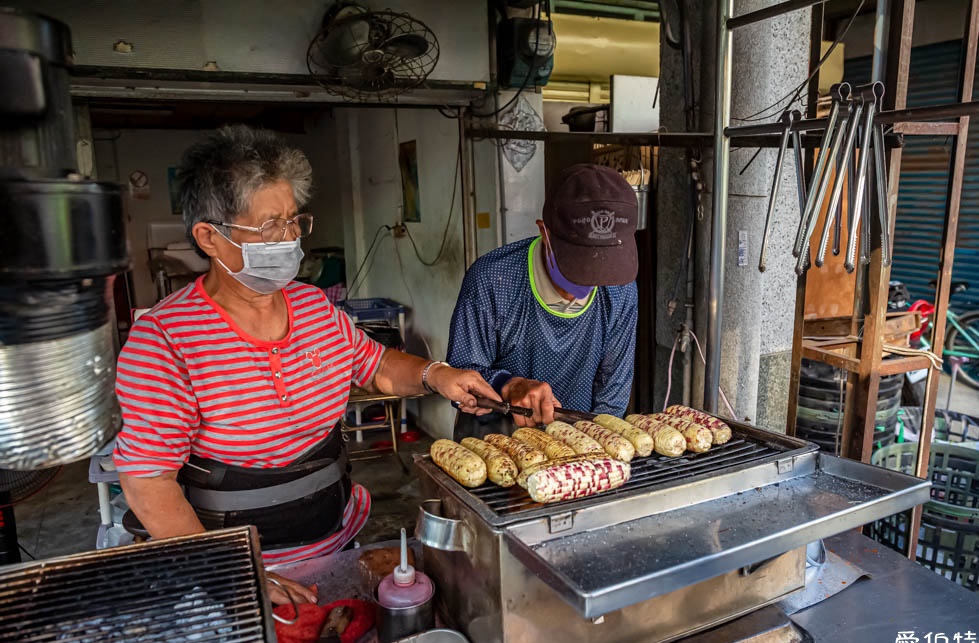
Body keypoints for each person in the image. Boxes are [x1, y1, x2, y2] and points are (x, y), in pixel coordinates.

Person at [112, 125, 500, 605]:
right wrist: (234, 575)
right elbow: (148, 481)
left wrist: (436, 374)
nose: (290, 237)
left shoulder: (313, 307)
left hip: (335, 542)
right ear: (209, 238)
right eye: (271, 225)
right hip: (241, 572)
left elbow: (374, 364)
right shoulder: (166, 339)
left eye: (294, 220)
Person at [447, 163, 639, 440]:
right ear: (544, 233)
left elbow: (613, 391)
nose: (585, 286)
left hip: (576, 440)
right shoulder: (493, 279)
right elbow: (460, 379)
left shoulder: (620, 290)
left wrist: (597, 446)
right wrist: (508, 385)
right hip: (494, 443)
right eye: (580, 268)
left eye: (602, 271)